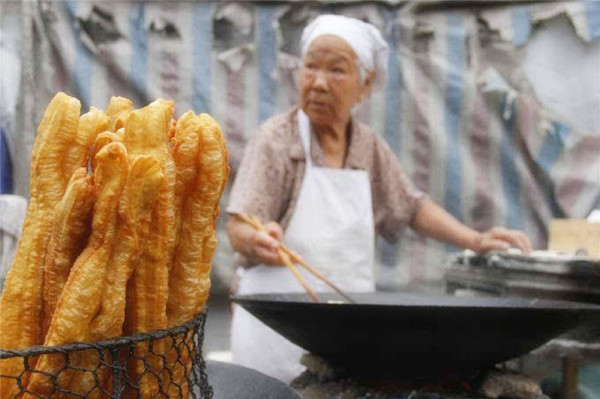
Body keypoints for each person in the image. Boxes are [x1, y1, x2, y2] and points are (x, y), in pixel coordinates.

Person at [226, 14, 532, 383]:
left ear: (366, 83)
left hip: (344, 328)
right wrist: (256, 240)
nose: (318, 83)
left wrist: (475, 240)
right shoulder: (276, 139)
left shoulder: (368, 147)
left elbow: (412, 206)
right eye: (310, 67)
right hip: (275, 333)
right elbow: (240, 224)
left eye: (336, 71)